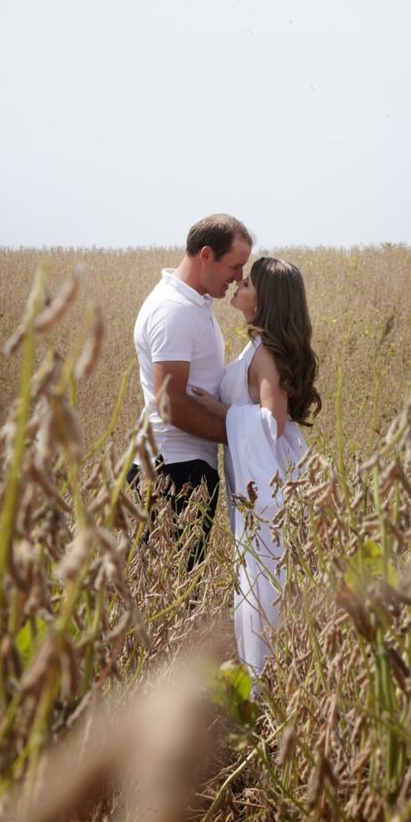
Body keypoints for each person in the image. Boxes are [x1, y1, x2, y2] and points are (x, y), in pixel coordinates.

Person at [191, 257, 321, 676]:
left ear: (263, 300)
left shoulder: (265, 355)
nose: (237, 286)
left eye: (246, 283)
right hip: (250, 479)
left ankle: (270, 682)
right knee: (258, 579)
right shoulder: (256, 347)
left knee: (264, 580)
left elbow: (272, 422)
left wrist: (220, 410)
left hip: (265, 486)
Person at [131, 214, 252, 569]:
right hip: (171, 473)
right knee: (167, 599)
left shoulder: (192, 304)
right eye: (234, 266)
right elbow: (172, 405)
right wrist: (243, 436)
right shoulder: (174, 311)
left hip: (183, 468)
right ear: (205, 255)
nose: (239, 278)